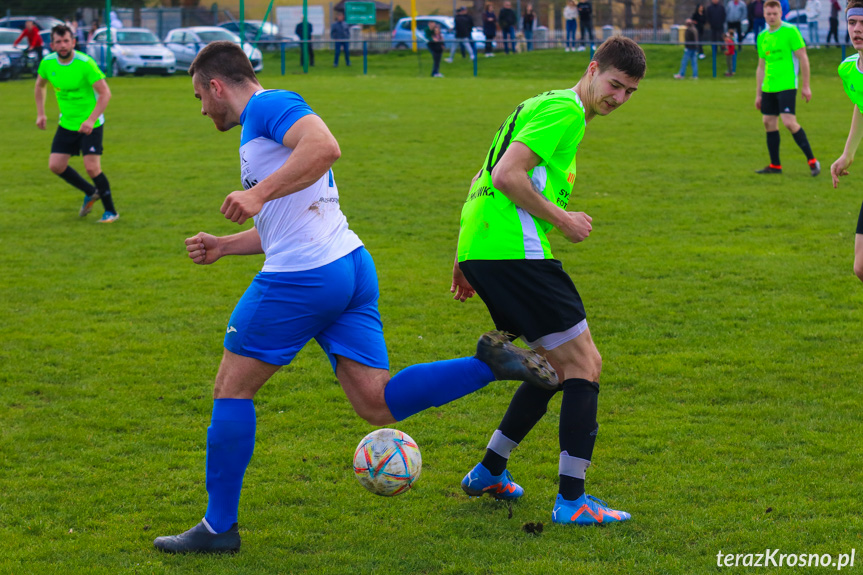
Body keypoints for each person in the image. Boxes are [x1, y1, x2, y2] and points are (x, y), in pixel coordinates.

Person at [152, 40, 557, 554]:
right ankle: (489, 365)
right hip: (347, 265)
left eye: (198, 97)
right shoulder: (264, 126)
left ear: (215, 85)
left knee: (231, 390)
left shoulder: (266, 106)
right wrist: (225, 245)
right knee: (376, 403)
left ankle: (218, 528)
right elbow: (291, 219)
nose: (201, 108)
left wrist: (255, 194)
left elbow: (325, 146)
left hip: (302, 278)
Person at [451, 36, 645, 526]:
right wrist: (563, 220)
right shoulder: (567, 111)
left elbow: (482, 173)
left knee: (555, 368)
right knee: (584, 365)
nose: (618, 99)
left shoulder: (538, 103)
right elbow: (505, 175)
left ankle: (489, 470)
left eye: (629, 93)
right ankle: (572, 501)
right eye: (614, 85)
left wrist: (464, 256)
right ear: (593, 68)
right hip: (515, 253)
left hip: (487, 247)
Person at [34, 24, 118, 222]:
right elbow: (40, 85)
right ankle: (91, 192)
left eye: (66, 41)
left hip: (91, 123)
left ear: (73, 42)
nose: (63, 45)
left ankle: (111, 212)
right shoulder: (47, 63)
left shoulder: (85, 63)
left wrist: (90, 120)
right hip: (67, 123)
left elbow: (105, 94)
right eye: (58, 42)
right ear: (52, 44)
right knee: (56, 165)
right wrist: (41, 113)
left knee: (92, 168)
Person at [755, 0, 820, 175]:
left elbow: (803, 58)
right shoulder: (762, 36)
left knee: (789, 123)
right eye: (768, 14)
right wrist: (758, 94)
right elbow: (761, 66)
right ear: (764, 14)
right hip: (769, 86)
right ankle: (775, 165)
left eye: (775, 14)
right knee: (768, 122)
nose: (771, 17)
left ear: (780, 14)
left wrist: (806, 86)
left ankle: (812, 160)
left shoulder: (790, 31)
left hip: (787, 85)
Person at [830, 0, 863, 281]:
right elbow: (861, 105)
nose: (857, 29)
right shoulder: (848, 70)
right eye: (852, 23)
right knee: (861, 267)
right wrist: (848, 153)